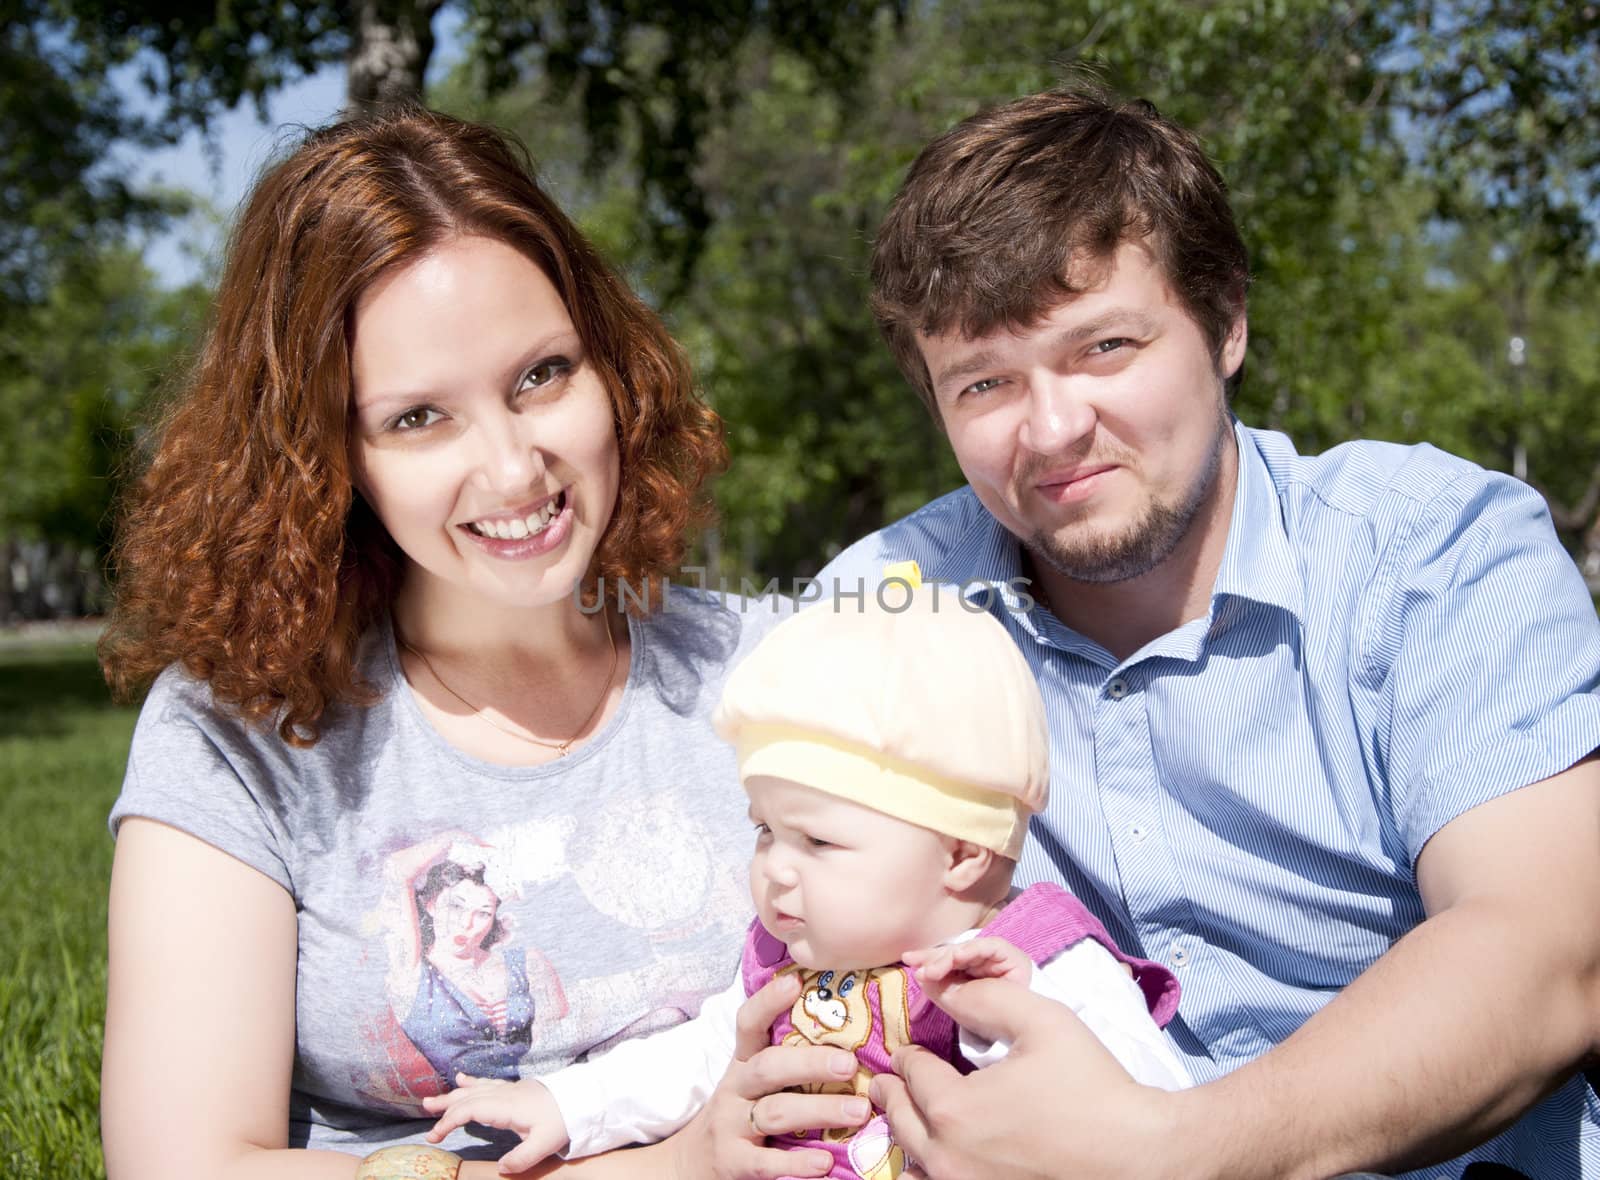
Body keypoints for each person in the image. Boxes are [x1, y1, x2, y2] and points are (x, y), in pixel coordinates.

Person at [816, 87, 1600, 1179]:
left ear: (1224, 320)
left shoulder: (1437, 556)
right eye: (984, 381)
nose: (1050, 429)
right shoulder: (882, 609)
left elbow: (1543, 955)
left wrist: (1176, 1151)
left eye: (1104, 346)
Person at [98, 107, 861, 1180]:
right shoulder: (239, 730)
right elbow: (180, 1165)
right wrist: (673, 1166)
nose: (513, 469)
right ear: (326, 453)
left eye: (542, 374)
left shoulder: (781, 667)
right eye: (418, 418)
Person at [419, 574, 1190, 1177]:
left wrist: (998, 1032)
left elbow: (1164, 1123)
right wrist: (565, 1102)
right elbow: (705, 1052)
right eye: (764, 831)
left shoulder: (1045, 962)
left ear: (961, 854)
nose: (774, 872)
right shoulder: (787, 960)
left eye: (817, 842)